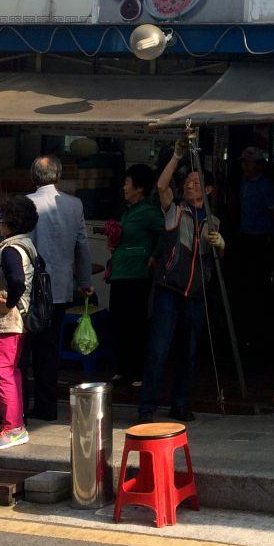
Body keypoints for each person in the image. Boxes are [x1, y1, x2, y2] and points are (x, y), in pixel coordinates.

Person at [138, 139, 224, 424]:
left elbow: (216, 258)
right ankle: (147, 409)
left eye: (196, 183)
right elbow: (162, 185)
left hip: (196, 294)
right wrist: (177, 156)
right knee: (158, 351)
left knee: (187, 354)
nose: (189, 185)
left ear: (208, 190)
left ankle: (180, 405)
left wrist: (221, 245)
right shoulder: (174, 210)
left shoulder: (213, 222)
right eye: (187, 181)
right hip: (169, 290)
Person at [26, 155, 93, 421]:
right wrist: (85, 281)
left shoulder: (26, 203)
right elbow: (82, 246)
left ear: (33, 177)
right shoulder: (75, 205)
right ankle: (47, 405)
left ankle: (22, 406)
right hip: (61, 287)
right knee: (50, 348)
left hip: (32, 287)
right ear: (59, 176)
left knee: (24, 349)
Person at [0, 195, 38, 451]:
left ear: (10, 223)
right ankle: (12, 424)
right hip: (11, 323)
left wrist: (9, 303)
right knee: (9, 373)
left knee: (2, 373)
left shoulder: (11, 250)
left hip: (5, 323)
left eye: (2, 220)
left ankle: (13, 428)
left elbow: (17, 282)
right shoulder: (23, 245)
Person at [103, 164, 163, 388]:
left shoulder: (149, 212)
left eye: (127, 183)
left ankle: (137, 371)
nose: (124, 187)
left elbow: (166, 234)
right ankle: (122, 369)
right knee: (118, 322)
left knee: (134, 323)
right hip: (120, 272)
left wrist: (154, 256)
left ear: (139, 187)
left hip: (137, 274)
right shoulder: (128, 211)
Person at [235, 147, 274, 349]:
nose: (245, 166)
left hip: (261, 237)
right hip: (245, 234)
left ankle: (260, 327)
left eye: (249, 162)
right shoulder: (244, 182)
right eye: (243, 162)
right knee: (246, 279)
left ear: (259, 165)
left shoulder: (266, 186)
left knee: (259, 280)